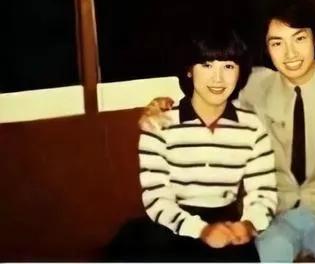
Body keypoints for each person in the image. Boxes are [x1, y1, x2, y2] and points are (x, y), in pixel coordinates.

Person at [140, 0, 315, 262]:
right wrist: (161, 105)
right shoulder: (253, 84)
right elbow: (209, 91)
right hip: (273, 217)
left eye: (299, 39)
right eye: (277, 43)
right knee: (269, 255)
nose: (290, 54)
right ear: (267, 49)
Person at [107, 27, 277, 262]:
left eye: (228, 66)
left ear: (240, 73)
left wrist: (248, 224)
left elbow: (263, 192)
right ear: (189, 70)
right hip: (171, 225)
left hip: (226, 224)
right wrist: (201, 231)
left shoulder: (252, 126)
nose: (217, 78)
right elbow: (157, 198)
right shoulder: (159, 122)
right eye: (206, 65)